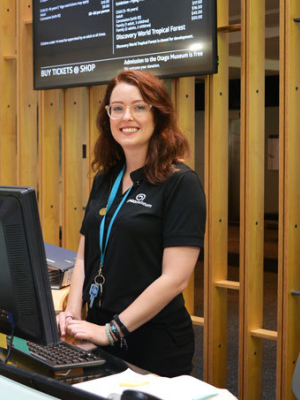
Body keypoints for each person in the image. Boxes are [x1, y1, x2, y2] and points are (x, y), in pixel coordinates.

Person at [56, 70, 206, 377]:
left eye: (139, 107)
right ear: (108, 116)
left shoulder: (181, 183)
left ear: (158, 115)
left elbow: (175, 279)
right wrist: (71, 313)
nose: (127, 116)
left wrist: (112, 331)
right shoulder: (105, 178)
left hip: (153, 341)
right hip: (96, 330)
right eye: (117, 108)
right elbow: (85, 254)